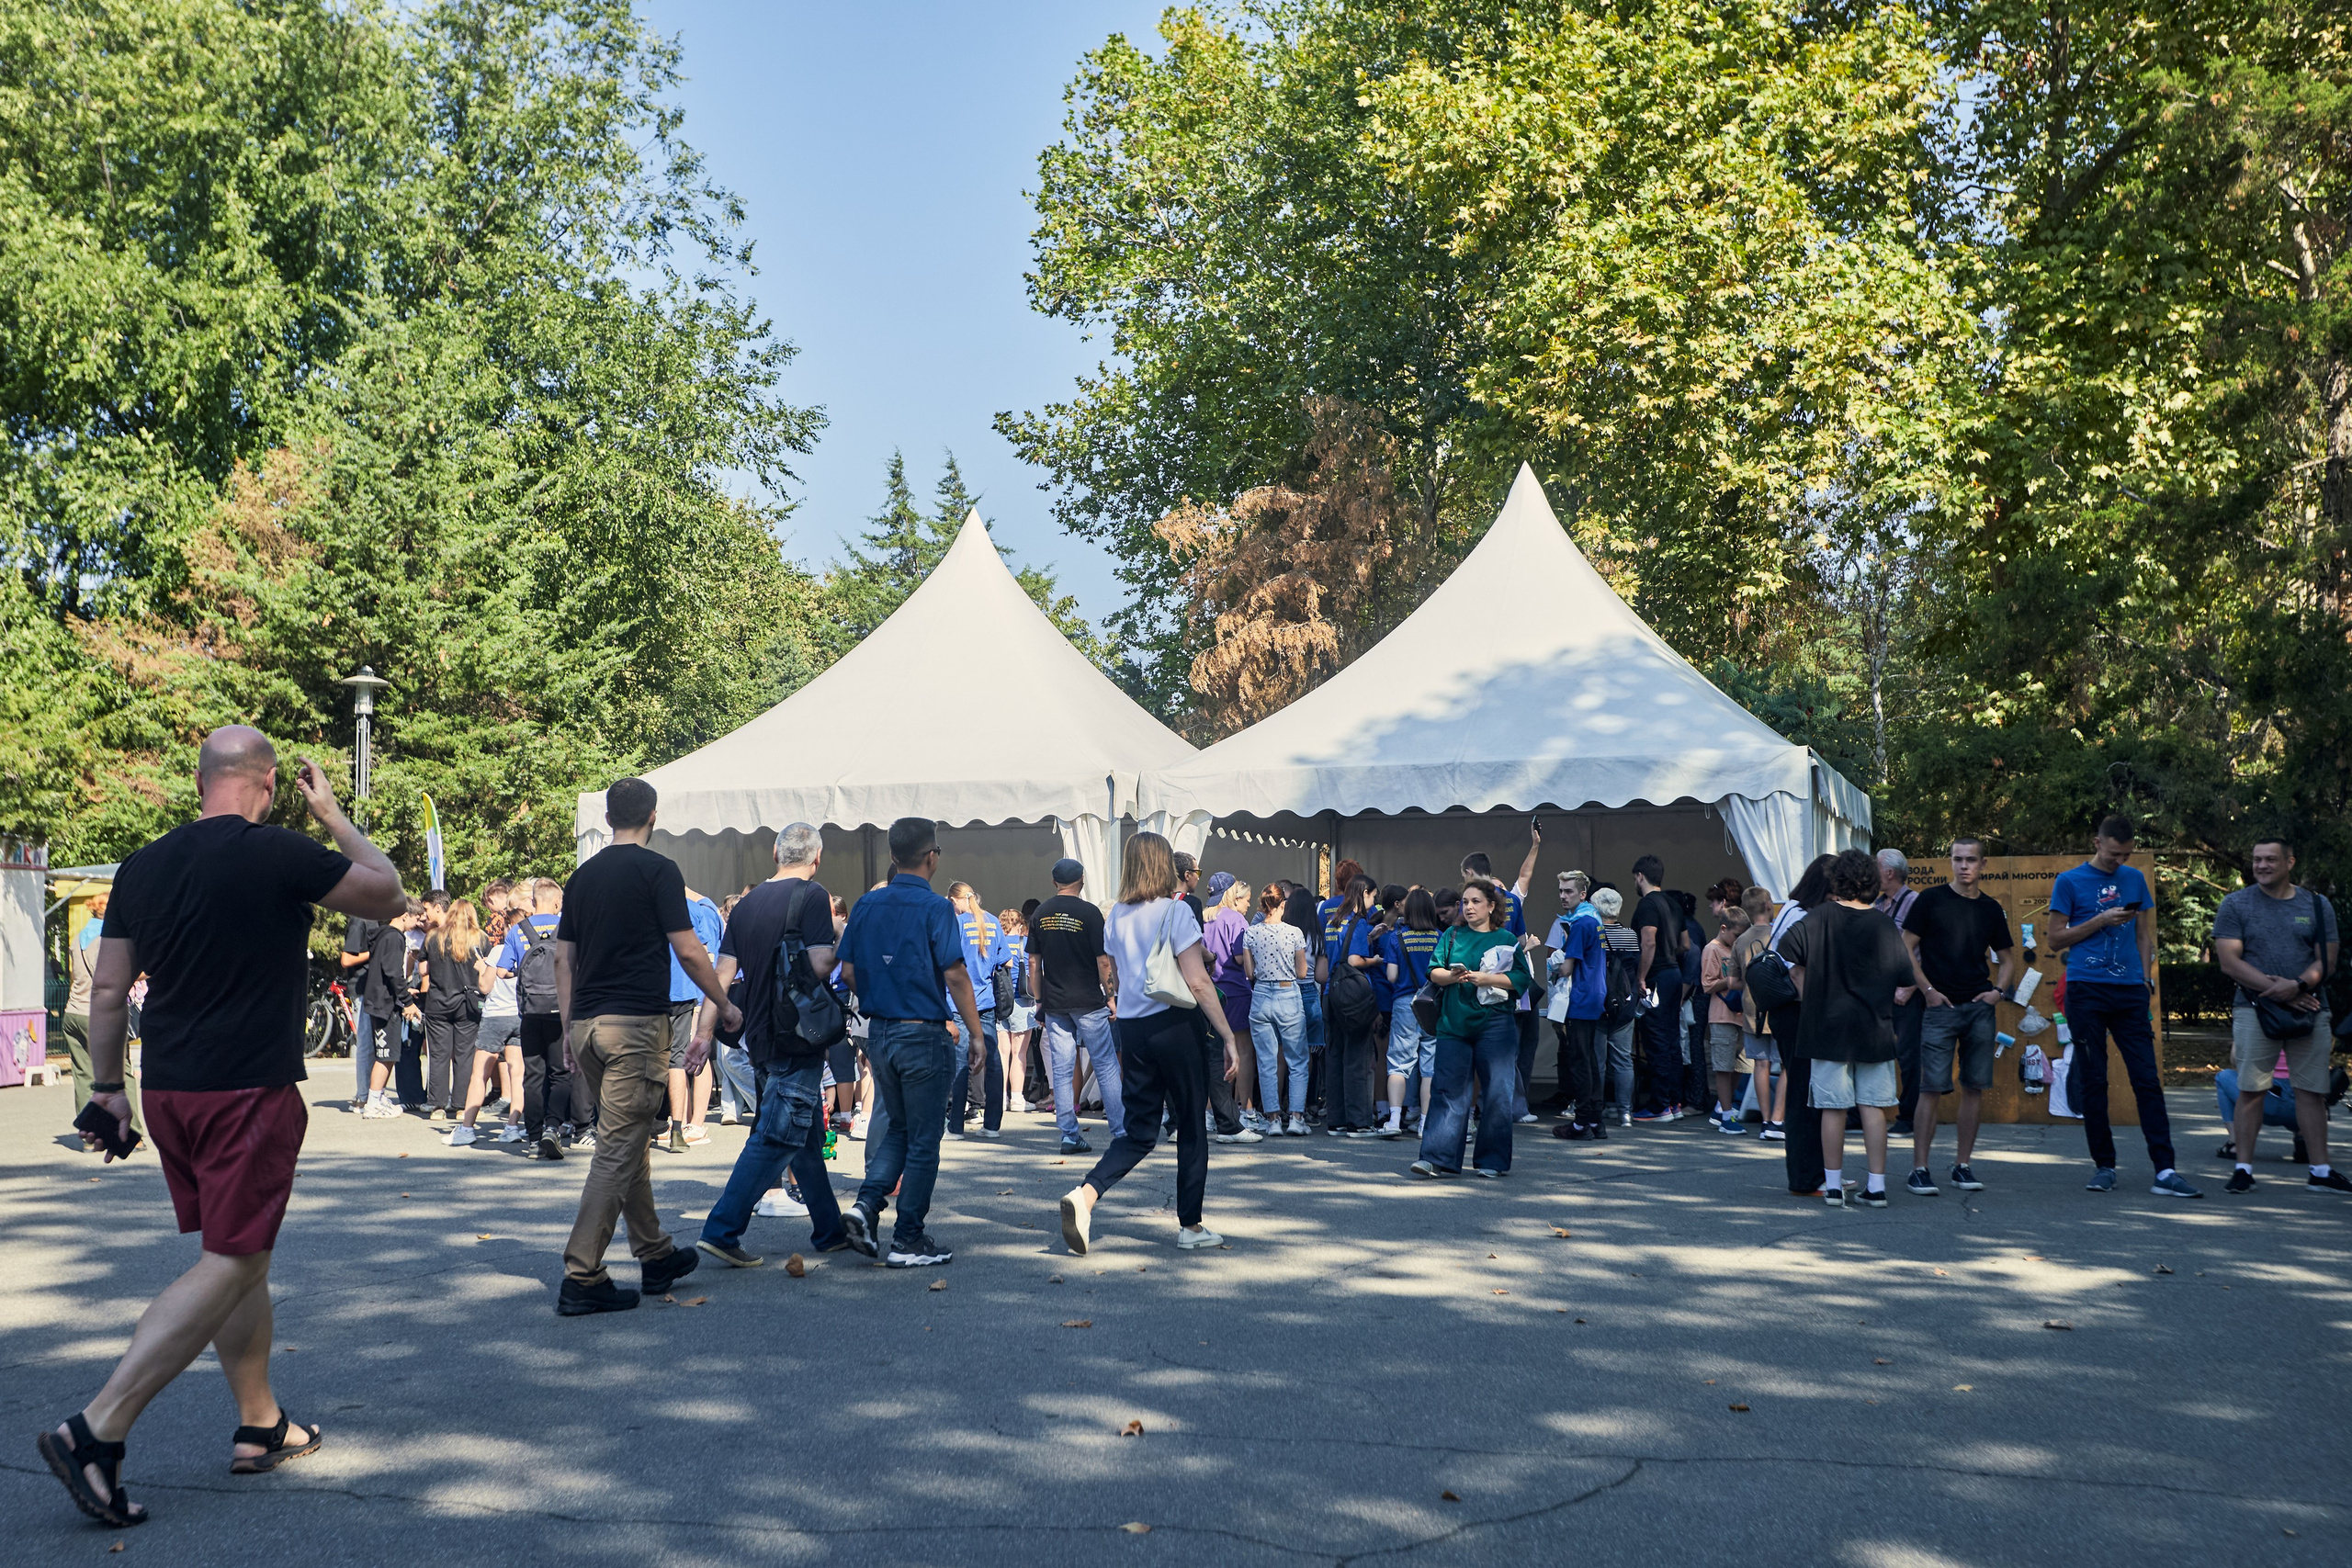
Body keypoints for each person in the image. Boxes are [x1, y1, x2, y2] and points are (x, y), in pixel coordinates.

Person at [39, 728, 404, 1528]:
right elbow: (390, 891)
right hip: (247, 1089)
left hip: (170, 1092)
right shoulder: (277, 853)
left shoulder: (143, 866)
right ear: (267, 785)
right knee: (234, 1260)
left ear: (201, 782)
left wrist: (109, 1090)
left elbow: (106, 993)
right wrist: (335, 813)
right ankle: (97, 1429)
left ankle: (260, 1421)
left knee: (239, 1256)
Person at [551, 778, 741, 1316]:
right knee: (616, 1151)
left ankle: (655, 1254)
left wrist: (569, 1028)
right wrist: (723, 1006)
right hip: (633, 1026)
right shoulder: (659, 871)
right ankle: (582, 1275)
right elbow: (688, 949)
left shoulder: (582, 876)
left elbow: (565, 960)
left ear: (609, 817)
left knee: (629, 1142)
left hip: (588, 1023)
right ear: (653, 816)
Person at [1057, 831, 1244, 1254]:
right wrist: (1229, 1037)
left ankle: (1086, 1194)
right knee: (1193, 1124)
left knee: (1139, 1131)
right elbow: (1197, 980)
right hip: (1176, 1024)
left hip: (1134, 1028)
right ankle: (1190, 1226)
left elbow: (1117, 975)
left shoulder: (1117, 915)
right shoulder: (1176, 913)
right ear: (1164, 865)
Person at [695, 823, 852, 1267]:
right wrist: (846, 936)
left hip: (758, 1032)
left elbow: (722, 974)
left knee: (802, 1135)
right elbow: (821, 962)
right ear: (816, 857)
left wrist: (704, 1035)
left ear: (774, 853)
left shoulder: (746, 905)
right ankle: (722, 1230)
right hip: (796, 1034)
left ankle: (830, 1230)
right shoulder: (813, 896)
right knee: (778, 1135)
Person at [837, 818, 991, 1269]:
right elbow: (956, 975)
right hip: (923, 1030)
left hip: (880, 1030)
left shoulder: (866, 904)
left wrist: (880, 995)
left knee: (901, 1129)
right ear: (932, 856)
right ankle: (908, 1238)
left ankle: (866, 1206)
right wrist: (977, 1033)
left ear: (891, 856)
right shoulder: (936, 908)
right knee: (924, 1139)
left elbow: (847, 972)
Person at [2049, 816, 2201, 1198]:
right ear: (2097, 842)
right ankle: (2104, 1166)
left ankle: (2165, 1170)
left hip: (2130, 989)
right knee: (2094, 1080)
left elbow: (2143, 933)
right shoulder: (2069, 882)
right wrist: (2099, 919)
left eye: (2127, 854)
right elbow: (2054, 939)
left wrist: (2147, 977)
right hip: (2086, 989)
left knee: (2147, 1079)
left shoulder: (2134, 878)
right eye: (2115, 854)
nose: (2120, 861)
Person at [1780, 849, 1913, 1207]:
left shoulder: (1818, 917)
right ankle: (1878, 1185)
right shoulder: (1884, 923)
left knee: (1832, 1107)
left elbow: (1789, 955)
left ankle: (1834, 1185)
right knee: (1873, 1106)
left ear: (1836, 879)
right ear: (1872, 880)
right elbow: (1904, 976)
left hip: (1827, 1027)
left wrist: (1809, 990)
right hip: (1874, 1027)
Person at [2211, 837, 2346, 1193]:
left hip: (2310, 1008)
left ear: (2290, 862)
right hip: (2255, 1010)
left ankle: (2320, 1172)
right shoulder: (2235, 904)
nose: (2262, 865)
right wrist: (2281, 992)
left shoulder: (2317, 905)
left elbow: (2327, 961)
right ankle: (2243, 1169)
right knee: (2251, 1090)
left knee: (2312, 1092)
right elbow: (2229, 962)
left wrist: (2298, 986)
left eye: (2271, 859)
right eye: (2257, 859)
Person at [1897, 837, 2018, 1195]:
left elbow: (2008, 958)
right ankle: (1919, 1169)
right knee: (1930, 1088)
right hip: (1939, 1009)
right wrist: (1927, 990)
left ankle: (1962, 1165)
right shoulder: (1930, 900)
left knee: (1974, 1088)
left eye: (1971, 860)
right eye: (1958, 859)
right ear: (1950, 862)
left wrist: (1997, 993)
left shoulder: (1991, 909)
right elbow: (1904, 947)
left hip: (1979, 1009)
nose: (1964, 866)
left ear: (1983, 865)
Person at [1410, 877, 1532, 1178]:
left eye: (1476, 901)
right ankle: (1436, 1158)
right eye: (1465, 902)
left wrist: (1485, 978)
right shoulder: (1452, 935)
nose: (1469, 906)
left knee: (1497, 1093)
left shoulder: (1505, 938)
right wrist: (1454, 977)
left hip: (1496, 1023)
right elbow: (1434, 971)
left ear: (1492, 906)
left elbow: (1521, 980)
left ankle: (1492, 1160)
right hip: (1454, 1022)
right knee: (1447, 1089)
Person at [1030, 858, 1121, 1156]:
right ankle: (1121, 1132)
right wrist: (1110, 995)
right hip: (1088, 1001)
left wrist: (1040, 999)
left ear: (1054, 882)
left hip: (1056, 1004)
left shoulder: (1041, 913)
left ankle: (1069, 1134)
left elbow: (1034, 962)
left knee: (1063, 1067)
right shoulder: (1090, 913)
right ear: (1082, 880)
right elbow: (1103, 960)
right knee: (1106, 1065)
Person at [1768, 854, 1837, 1191]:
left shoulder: (1791, 909)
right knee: (1803, 1094)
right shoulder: (1804, 916)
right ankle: (1808, 1176)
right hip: (1796, 1010)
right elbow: (1797, 970)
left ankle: (1814, 1174)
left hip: (1784, 1009)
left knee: (1802, 1089)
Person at [491, 879, 571, 1159]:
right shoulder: (568, 927)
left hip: (530, 1012)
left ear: (534, 902)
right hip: (560, 1012)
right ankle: (553, 1127)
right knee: (560, 1073)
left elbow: (501, 972)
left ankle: (534, 1139)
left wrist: (520, 975)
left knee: (533, 1075)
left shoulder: (518, 931)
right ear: (558, 903)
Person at [453, 887, 527, 1146]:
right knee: (517, 1074)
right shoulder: (529, 949)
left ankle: (466, 1128)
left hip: (495, 1016)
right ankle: (513, 1126)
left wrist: (482, 968)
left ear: (508, 925)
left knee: (480, 1074)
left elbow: (485, 987)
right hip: (519, 1015)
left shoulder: (498, 952)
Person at [1241, 884, 1312, 1134]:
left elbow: (1249, 973)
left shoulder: (1250, 933)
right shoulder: (1295, 933)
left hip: (1261, 994)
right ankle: (1296, 1117)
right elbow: (1303, 972)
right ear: (1283, 904)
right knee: (1297, 1059)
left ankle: (1272, 1120)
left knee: (1267, 1060)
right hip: (1288, 994)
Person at [661, 883, 726, 1152]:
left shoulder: (700, 910)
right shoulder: (693, 908)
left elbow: (708, 956)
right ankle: (681, 1122)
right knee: (679, 1058)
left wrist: (708, 998)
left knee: (691, 1055)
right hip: (683, 993)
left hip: (688, 994)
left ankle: (695, 1123)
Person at [1198, 874, 1262, 1143]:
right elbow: (1239, 956)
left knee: (1213, 1054)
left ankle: (1210, 1111)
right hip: (1235, 990)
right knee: (1243, 1052)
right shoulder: (1234, 919)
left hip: (1208, 991)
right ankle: (1246, 1109)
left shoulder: (1201, 916)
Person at [944, 880, 1008, 1140]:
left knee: (959, 1063)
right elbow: (1006, 962)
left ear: (954, 901)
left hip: (959, 1003)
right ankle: (992, 1125)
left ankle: (956, 1126)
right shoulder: (993, 922)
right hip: (986, 1002)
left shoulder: (956, 924)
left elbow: (948, 964)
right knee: (992, 1062)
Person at [1326, 874, 1386, 1135]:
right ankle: (1359, 1122)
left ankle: (1336, 1120)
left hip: (1331, 993)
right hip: (1353, 997)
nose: (1373, 902)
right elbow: (1353, 960)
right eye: (1373, 896)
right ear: (1364, 894)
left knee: (1335, 1056)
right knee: (1357, 1058)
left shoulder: (1332, 921)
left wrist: (1368, 939)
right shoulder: (1359, 922)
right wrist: (1374, 960)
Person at [417, 897, 486, 1122]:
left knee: (438, 1054)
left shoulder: (432, 937)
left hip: (438, 1002)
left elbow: (423, 969)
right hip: (467, 1004)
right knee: (465, 1055)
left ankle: (437, 1105)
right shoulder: (481, 939)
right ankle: (460, 1106)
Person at [1384, 886, 1446, 1137]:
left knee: (1398, 1064)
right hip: (1431, 1005)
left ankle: (1394, 1120)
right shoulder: (1441, 937)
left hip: (1404, 1004)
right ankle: (1424, 1123)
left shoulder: (1395, 937)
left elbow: (1391, 975)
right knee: (1429, 1065)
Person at [1629, 854, 1687, 1121]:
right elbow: (1685, 944)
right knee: (1672, 1038)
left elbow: (1648, 942)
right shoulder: (1674, 904)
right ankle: (1674, 1102)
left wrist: (1641, 976)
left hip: (1656, 977)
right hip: (1674, 973)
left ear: (1640, 876)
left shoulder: (1647, 905)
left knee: (1656, 1040)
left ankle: (1659, 1105)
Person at [357, 901, 422, 1118]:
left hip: (381, 999)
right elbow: (393, 972)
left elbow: (387, 972)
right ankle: (373, 1101)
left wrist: (404, 992)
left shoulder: (383, 935)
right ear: (405, 915)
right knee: (386, 1054)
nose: (418, 922)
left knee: (389, 1052)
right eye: (416, 918)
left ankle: (379, 1095)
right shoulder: (394, 937)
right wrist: (407, 1001)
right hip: (385, 1003)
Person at [1876, 849, 1925, 1135]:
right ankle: (1859, 1113)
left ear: (1890, 873)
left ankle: (1908, 1118)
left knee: (1908, 1056)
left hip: (1906, 993)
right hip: (1881, 992)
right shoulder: (1878, 903)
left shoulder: (1915, 903)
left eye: (1876, 869)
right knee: (1871, 1052)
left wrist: (1910, 987)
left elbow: (1926, 951)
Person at [1732, 885, 1786, 1140]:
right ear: (1769, 906)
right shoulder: (1781, 934)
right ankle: (1778, 1118)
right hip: (1779, 1006)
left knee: (1760, 1064)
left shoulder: (1740, 940)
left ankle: (1765, 1121)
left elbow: (1734, 980)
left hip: (1752, 1007)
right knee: (1786, 1064)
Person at [1590, 888, 1644, 1129]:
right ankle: (1625, 1113)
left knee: (1597, 1061)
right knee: (1623, 1060)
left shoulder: (1593, 933)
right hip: (1624, 1004)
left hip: (1598, 1002)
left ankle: (1596, 1109)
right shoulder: (1630, 935)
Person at [1699, 907, 1754, 1134]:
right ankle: (1726, 1116)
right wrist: (1731, 980)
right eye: (1736, 936)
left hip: (1742, 1016)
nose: (1739, 940)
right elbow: (1707, 984)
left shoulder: (1738, 949)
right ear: (1724, 929)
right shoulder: (1712, 949)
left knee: (1741, 1066)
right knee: (1723, 1067)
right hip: (1722, 1015)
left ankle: (1723, 1108)